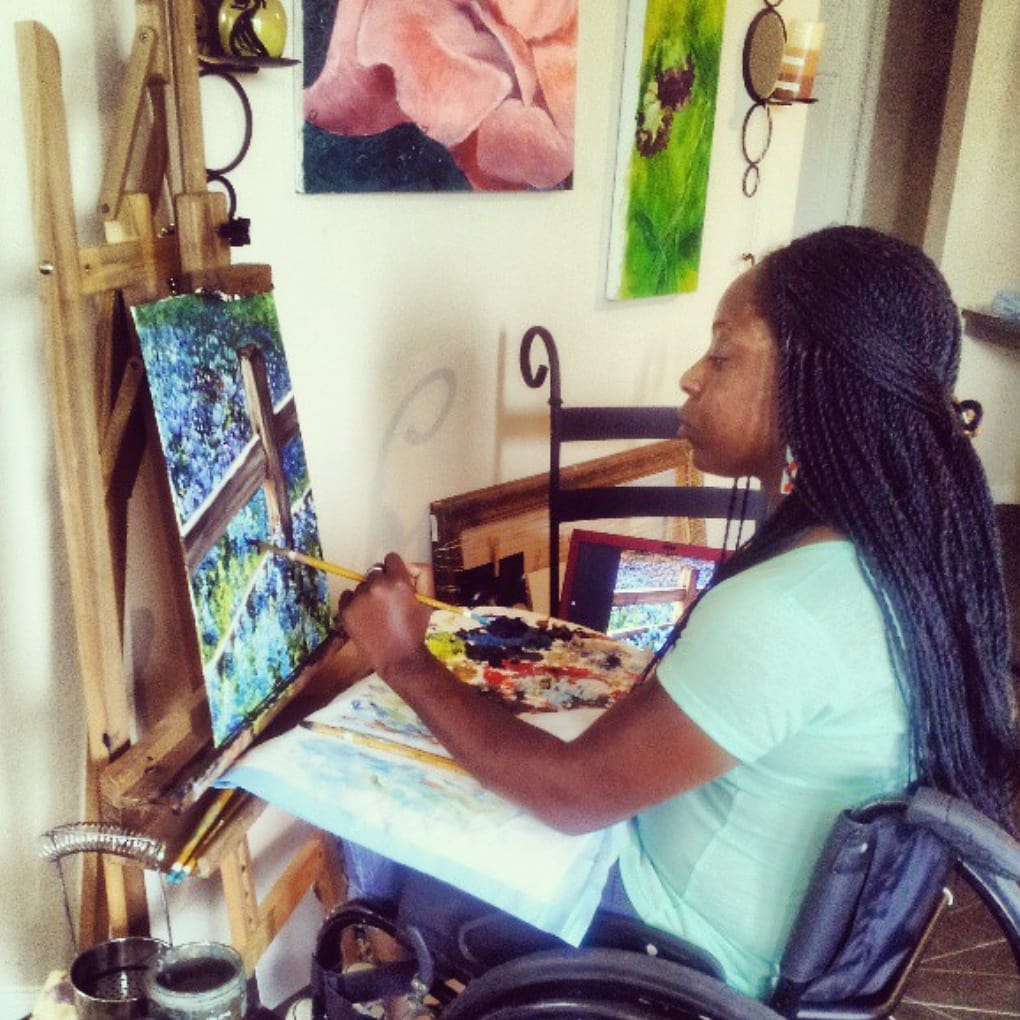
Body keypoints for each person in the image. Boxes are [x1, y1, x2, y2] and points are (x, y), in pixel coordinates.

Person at [337, 226, 1020, 1000]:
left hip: (678, 957)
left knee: (384, 844)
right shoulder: (907, 551)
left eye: (722, 355)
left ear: (815, 381)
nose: (692, 377)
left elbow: (571, 796)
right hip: (783, 938)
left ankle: (404, 988)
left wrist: (405, 660)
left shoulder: (788, 610)